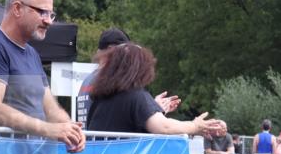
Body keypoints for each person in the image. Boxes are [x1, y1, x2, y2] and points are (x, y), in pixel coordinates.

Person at [0, 0, 85, 152]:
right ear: (17, 8)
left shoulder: (32, 53)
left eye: (51, 14)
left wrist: (72, 130)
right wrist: (49, 129)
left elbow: (51, 109)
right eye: (42, 12)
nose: (49, 21)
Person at [85, 43, 224, 136]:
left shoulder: (100, 98)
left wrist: (153, 108)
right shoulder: (136, 97)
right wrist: (195, 126)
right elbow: (164, 127)